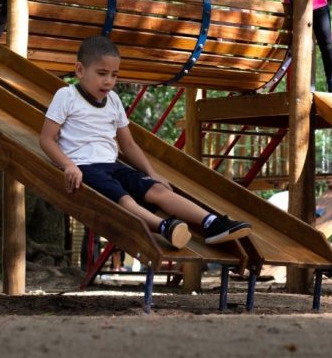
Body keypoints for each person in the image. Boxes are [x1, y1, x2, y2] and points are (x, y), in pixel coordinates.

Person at [39, 35, 251, 247]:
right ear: (80, 70)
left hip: (113, 166)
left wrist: (152, 173)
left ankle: (212, 223)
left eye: (114, 75)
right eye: (102, 74)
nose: (109, 81)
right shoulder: (66, 96)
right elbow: (47, 139)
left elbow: (129, 145)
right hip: (84, 167)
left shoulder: (113, 100)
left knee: (159, 190)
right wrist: (69, 166)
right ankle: (164, 226)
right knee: (124, 199)